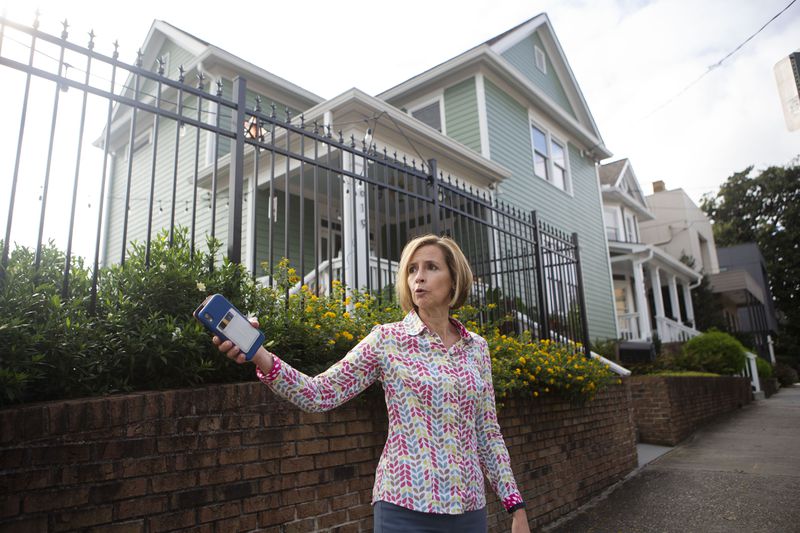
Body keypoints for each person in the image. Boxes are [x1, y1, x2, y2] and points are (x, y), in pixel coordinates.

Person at [213, 234, 530, 533]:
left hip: (469, 511)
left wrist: (515, 506)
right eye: (411, 269)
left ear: (454, 281)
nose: (418, 277)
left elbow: (488, 433)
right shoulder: (386, 340)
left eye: (431, 267)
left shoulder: (477, 348)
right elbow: (319, 394)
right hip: (404, 508)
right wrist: (260, 356)